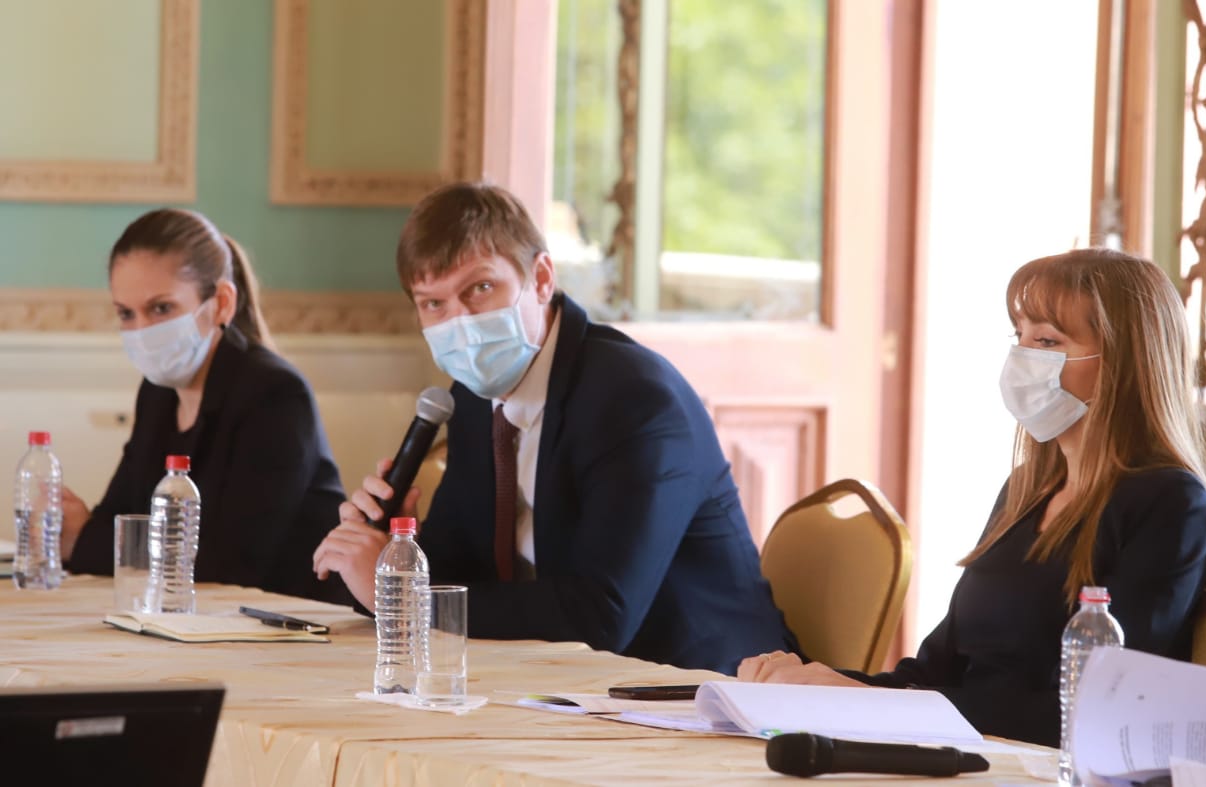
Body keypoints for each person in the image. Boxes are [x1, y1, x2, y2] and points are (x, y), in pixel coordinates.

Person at [738, 248, 1206, 747]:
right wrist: (819, 685)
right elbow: (934, 673)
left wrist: (869, 700)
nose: (1022, 356)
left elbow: (1093, 711)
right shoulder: (1025, 492)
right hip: (973, 755)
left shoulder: (1169, 503)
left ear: (1123, 364)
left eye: (1045, 340)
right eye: (1018, 336)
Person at [312, 182, 794, 674]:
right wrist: (392, 554)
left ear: (541, 279)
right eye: (433, 304)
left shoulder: (634, 400)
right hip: (555, 688)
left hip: (703, 692)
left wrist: (404, 599)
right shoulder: (475, 401)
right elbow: (459, 577)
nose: (459, 323)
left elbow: (600, 615)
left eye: (480, 289)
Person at [61, 208, 351, 604]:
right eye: (126, 313)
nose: (142, 331)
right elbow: (122, 519)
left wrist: (82, 539)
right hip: (194, 622)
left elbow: (230, 563)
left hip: (291, 625)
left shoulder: (276, 395)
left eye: (161, 308)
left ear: (221, 304)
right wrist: (76, 529)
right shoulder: (158, 392)